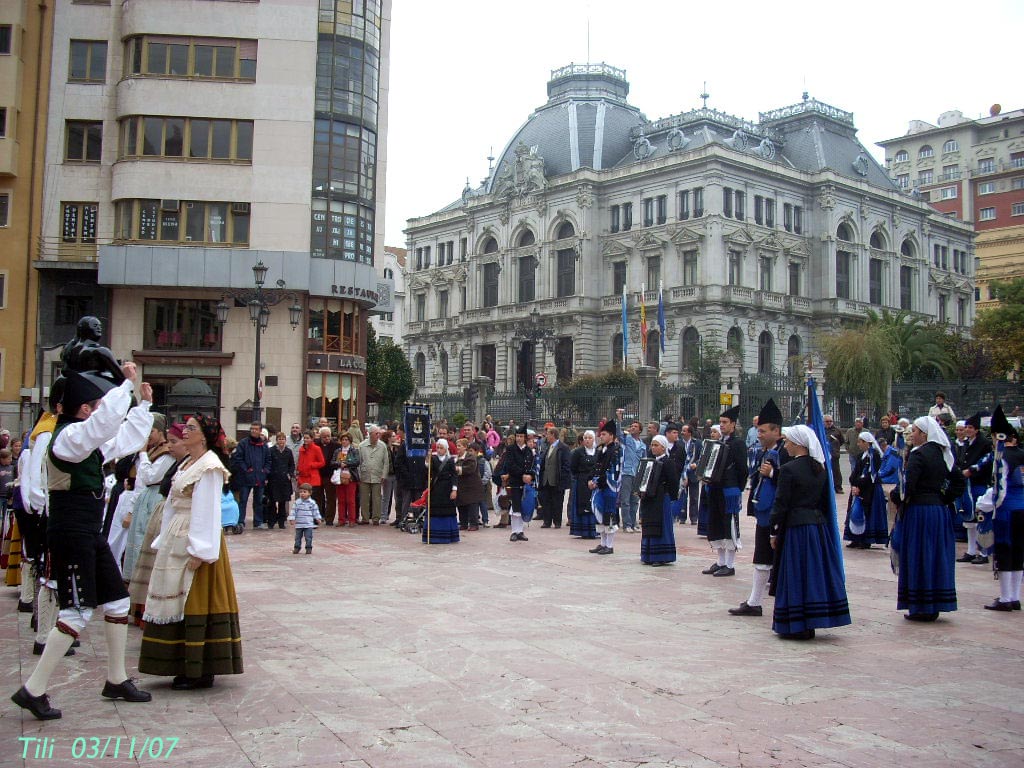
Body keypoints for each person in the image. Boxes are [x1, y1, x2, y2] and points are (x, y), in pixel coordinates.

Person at [12, 366, 154, 720]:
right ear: (81, 408)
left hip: (88, 531)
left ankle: (116, 679)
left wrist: (142, 407)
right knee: (77, 610)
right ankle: (33, 689)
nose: (97, 408)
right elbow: (102, 426)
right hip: (71, 531)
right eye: (92, 403)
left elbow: (122, 440)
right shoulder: (65, 438)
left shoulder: (85, 440)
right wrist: (124, 386)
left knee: (118, 602)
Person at [138, 414, 243, 689]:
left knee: (193, 598)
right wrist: (165, 536)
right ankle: (179, 661)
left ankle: (200, 668)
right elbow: (173, 501)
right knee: (174, 595)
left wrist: (201, 551)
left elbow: (208, 510)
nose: (185, 432)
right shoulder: (187, 463)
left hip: (199, 538)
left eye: (192, 428)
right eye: (185, 427)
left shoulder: (209, 466)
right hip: (178, 531)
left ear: (205, 435)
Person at [768, 425, 852, 640]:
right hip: (817, 528)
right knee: (814, 573)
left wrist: (774, 530)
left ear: (798, 444)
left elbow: (781, 503)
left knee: (796, 573)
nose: (785, 444)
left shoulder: (788, 470)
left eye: (787, 441)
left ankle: (795, 623)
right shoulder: (820, 468)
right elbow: (826, 502)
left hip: (796, 529)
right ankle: (813, 619)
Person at [890, 416, 957, 622]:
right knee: (936, 554)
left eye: (916, 431)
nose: (912, 434)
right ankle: (935, 603)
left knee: (919, 554)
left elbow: (908, 486)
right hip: (938, 511)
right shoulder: (944, 453)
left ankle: (921, 606)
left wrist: (895, 497)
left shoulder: (919, 455)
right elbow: (959, 482)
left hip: (919, 512)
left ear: (925, 434)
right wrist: (943, 498)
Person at [731, 399, 789, 616]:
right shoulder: (766, 451)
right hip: (765, 513)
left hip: (778, 514)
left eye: (763, 431)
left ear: (777, 430)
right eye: (758, 431)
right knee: (762, 558)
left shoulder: (785, 452)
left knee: (770, 559)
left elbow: (793, 480)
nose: (759, 435)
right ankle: (754, 601)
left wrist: (773, 474)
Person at [128, 422, 189, 625]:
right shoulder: (177, 462)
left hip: (175, 519)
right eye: (169, 441)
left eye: (174, 441)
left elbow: (148, 477)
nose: (170, 446)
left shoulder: (171, 459)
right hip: (163, 511)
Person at [979, 406, 1024, 611]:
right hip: (1022, 508)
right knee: (1018, 553)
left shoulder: (1002, 457)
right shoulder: (1021, 454)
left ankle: (1005, 598)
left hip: (1007, 510)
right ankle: (1014, 597)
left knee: (1004, 552)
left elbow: (1000, 489)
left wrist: (989, 506)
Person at [122, 414, 174, 586]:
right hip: (146, 499)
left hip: (154, 498)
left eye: (151, 431)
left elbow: (149, 476)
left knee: (146, 537)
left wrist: (143, 454)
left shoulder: (165, 453)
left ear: (160, 432)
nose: (148, 435)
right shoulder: (155, 449)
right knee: (138, 538)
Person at [702, 405, 747, 577]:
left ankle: (730, 564)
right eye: (720, 422)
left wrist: (737, 488)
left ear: (733, 424)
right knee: (716, 524)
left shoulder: (738, 444)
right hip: (715, 488)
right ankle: (720, 561)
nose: (722, 425)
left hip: (729, 490)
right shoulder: (718, 443)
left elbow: (743, 469)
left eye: (725, 422)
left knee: (729, 526)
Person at [844, 431, 890, 549]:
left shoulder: (873, 456)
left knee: (867, 512)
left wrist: (858, 485)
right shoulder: (861, 456)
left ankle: (865, 539)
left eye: (860, 442)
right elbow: (855, 473)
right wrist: (854, 484)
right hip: (859, 489)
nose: (858, 444)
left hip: (870, 490)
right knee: (854, 512)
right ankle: (855, 537)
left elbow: (871, 476)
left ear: (867, 443)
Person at [958, 412, 993, 565]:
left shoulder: (984, 443)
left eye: (970, 427)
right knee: (969, 518)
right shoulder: (966, 443)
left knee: (981, 518)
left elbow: (985, 462)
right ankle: (971, 551)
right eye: (966, 427)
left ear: (977, 429)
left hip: (978, 483)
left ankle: (984, 552)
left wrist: (971, 470)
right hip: (967, 485)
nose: (967, 430)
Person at [639, 434, 679, 566]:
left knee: (661, 525)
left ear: (663, 447)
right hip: (650, 498)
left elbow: (673, 481)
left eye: (656, 445)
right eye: (652, 445)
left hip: (662, 498)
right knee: (650, 523)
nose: (653, 448)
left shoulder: (668, 462)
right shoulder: (650, 461)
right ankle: (649, 555)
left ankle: (661, 556)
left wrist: (670, 496)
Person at [495, 426, 535, 542]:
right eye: (517, 436)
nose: (519, 439)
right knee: (515, 506)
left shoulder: (529, 451)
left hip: (526, 483)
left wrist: (530, 476)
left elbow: (531, 466)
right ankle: (514, 531)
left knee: (523, 506)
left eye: (521, 436)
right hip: (515, 481)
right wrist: (522, 474)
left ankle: (520, 531)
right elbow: (510, 466)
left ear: (525, 437)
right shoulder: (511, 449)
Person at [588, 420, 622, 555]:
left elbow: (613, 471)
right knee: (600, 515)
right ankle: (602, 543)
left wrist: (599, 481)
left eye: (604, 434)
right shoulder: (601, 449)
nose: (601, 436)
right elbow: (596, 467)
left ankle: (609, 545)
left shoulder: (616, 450)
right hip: (600, 486)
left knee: (609, 514)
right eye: (601, 434)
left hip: (609, 487)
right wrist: (590, 479)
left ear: (611, 435)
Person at [230, 421, 271, 529]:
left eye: (256, 429)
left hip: (260, 477)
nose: (253, 431)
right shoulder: (243, 443)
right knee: (243, 500)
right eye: (252, 428)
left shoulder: (264, 445)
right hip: (245, 477)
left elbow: (268, 460)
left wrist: (265, 471)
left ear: (260, 431)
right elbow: (238, 458)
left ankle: (258, 521)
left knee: (258, 501)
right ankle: (240, 521)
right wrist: (246, 470)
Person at [422, 438, 459, 544]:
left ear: (446, 448)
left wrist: (454, 489)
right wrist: (427, 459)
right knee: (434, 511)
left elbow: (454, 476)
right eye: (437, 447)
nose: (439, 450)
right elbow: (428, 469)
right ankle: (433, 535)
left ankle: (448, 535)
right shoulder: (433, 459)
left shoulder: (450, 460)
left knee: (447, 511)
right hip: (435, 489)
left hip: (447, 489)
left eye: (441, 448)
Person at [538, 425, 571, 529]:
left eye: (548, 434)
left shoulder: (563, 448)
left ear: (553, 435)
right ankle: (547, 521)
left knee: (557, 501)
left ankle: (557, 521)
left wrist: (563, 478)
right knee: (546, 500)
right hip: (546, 479)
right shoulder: (548, 447)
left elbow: (566, 465)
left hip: (557, 480)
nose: (546, 436)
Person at [568, 430, 598, 539]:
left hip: (594, 482)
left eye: (590, 438)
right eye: (585, 438)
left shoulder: (597, 452)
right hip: (582, 481)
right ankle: (583, 530)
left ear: (594, 439)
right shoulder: (578, 452)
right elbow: (573, 467)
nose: (587, 440)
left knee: (593, 504)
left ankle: (593, 529)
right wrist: (581, 477)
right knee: (583, 504)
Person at [358, 427, 388, 525]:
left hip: (377, 475)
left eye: (379, 433)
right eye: (376, 434)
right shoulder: (362, 446)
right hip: (364, 475)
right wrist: (358, 475)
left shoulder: (383, 446)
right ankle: (365, 518)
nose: (378, 435)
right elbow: (359, 461)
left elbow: (386, 462)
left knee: (377, 498)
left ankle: (376, 518)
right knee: (364, 498)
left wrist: (384, 475)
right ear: (370, 434)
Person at [268, 431, 296, 530]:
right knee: (272, 501)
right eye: (279, 439)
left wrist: (290, 474)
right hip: (273, 479)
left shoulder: (288, 451)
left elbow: (292, 465)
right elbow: (268, 463)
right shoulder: (271, 451)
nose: (281, 441)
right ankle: (271, 521)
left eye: (283, 439)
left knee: (282, 502)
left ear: (285, 440)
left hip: (284, 480)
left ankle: (281, 522)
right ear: (276, 440)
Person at [332, 434, 360, 526]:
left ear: (350, 441)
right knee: (341, 500)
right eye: (343, 439)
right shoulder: (337, 451)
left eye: (346, 439)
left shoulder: (354, 450)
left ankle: (352, 520)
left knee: (351, 500)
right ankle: (341, 520)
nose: (344, 441)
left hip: (351, 477)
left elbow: (357, 461)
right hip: (339, 477)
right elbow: (332, 462)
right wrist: (339, 464)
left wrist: (346, 464)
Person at [455, 440, 484, 531]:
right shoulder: (456, 458)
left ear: (465, 447)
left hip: (472, 487)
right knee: (461, 506)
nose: (457, 447)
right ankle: (463, 523)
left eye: (459, 446)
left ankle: (474, 524)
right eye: (457, 446)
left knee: (472, 506)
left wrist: (457, 469)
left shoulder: (470, 457)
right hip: (461, 487)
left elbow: (470, 469)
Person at [296, 432, 326, 516]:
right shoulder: (301, 449)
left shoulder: (316, 449)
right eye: (304, 438)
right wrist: (299, 469)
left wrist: (312, 465)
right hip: (303, 477)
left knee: (313, 500)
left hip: (313, 478)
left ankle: (315, 517)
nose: (305, 440)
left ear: (312, 439)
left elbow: (322, 462)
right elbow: (300, 461)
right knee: (303, 499)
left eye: (307, 438)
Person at [315, 427, 339, 525]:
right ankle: (317, 517)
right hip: (318, 475)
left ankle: (329, 519)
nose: (327, 438)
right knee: (317, 497)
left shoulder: (336, 446)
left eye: (328, 436)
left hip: (330, 475)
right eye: (324, 437)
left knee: (331, 498)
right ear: (320, 437)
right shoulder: (316, 445)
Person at [288, 483, 322, 554]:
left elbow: (315, 511)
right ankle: (297, 547)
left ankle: (308, 548)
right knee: (297, 537)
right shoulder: (297, 503)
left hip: (308, 524)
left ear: (309, 493)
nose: (302, 494)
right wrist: (292, 518)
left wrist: (318, 518)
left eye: (304, 492)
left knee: (308, 537)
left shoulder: (312, 503)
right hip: (299, 524)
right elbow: (293, 511)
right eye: (301, 492)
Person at [680, 424, 702, 525]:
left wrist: (696, 464)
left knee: (694, 496)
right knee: (682, 496)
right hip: (682, 474)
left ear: (689, 432)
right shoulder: (679, 443)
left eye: (684, 431)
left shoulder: (697, 443)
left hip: (693, 473)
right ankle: (682, 517)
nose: (682, 432)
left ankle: (694, 517)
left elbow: (702, 457)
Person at [823, 415, 844, 493]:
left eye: (830, 421)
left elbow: (842, 441)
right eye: (827, 421)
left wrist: (836, 447)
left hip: (834, 454)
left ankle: (838, 487)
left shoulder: (837, 431)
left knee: (836, 471)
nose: (829, 423)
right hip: (824, 454)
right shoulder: (821, 430)